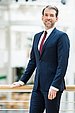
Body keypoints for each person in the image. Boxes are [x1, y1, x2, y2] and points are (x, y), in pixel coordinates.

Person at [11, 5, 70, 113]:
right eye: (46, 15)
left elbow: (63, 64)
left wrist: (55, 85)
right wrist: (22, 80)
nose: (48, 17)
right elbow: (33, 61)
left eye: (51, 15)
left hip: (52, 88)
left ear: (56, 18)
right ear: (42, 17)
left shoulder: (62, 36)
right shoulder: (37, 37)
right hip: (37, 86)